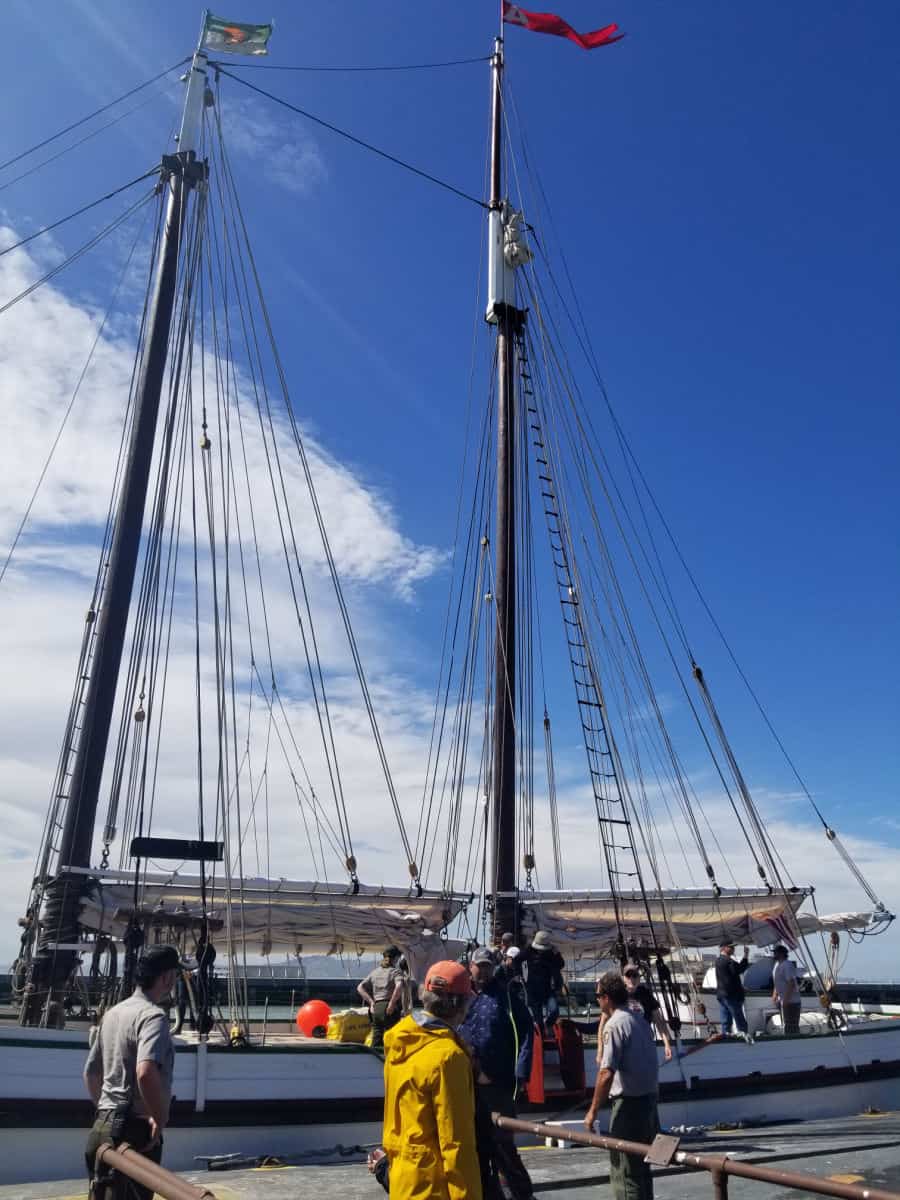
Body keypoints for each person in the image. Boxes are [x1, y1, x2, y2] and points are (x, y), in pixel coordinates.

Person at [83, 944, 178, 1200]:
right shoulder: (153, 1017)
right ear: (167, 977)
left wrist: (105, 1109)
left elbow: (91, 1072)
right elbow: (146, 1072)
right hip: (132, 1134)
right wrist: (159, 1118)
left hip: (101, 1128)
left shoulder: (113, 1013)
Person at [382, 959, 482, 1200]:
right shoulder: (449, 1057)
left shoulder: (399, 1042)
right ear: (460, 1004)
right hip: (433, 1187)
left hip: (403, 1180)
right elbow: (456, 1143)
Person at [460, 947, 534, 1200]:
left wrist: (521, 1073)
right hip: (466, 1086)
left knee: (503, 1145)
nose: (483, 971)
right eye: (479, 966)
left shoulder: (508, 997)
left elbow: (527, 1031)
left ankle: (523, 1194)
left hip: (498, 1085)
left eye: (488, 966)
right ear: (471, 966)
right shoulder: (460, 996)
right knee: (475, 1145)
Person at [585, 971, 659, 1200]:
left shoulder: (615, 1025)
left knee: (625, 1171)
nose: (597, 1000)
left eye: (598, 995)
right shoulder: (639, 1019)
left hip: (629, 1107)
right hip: (649, 1103)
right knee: (642, 1169)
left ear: (606, 997)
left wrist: (592, 1112)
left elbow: (606, 1073)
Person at [358, 946, 404, 1050]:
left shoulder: (375, 972)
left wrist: (371, 1002)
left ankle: (375, 1060)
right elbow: (399, 986)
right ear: (396, 958)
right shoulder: (395, 972)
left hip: (376, 1008)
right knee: (392, 1038)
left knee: (377, 1038)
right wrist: (392, 1003)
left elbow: (360, 987)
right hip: (389, 1008)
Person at [524, 930, 565, 1036]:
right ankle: (541, 1039)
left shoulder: (551, 953)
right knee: (538, 1020)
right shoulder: (529, 950)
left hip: (548, 989)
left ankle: (548, 1024)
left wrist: (557, 954)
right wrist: (518, 974)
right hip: (533, 990)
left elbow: (561, 964)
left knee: (554, 1010)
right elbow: (517, 960)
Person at [715, 942, 751, 1037]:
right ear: (724, 948)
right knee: (739, 1017)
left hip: (722, 995)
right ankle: (744, 1035)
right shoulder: (728, 961)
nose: (733, 949)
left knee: (725, 1019)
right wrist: (746, 955)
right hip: (731, 995)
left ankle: (726, 1035)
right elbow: (740, 969)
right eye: (731, 947)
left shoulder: (718, 960)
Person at [771, 944, 802, 1035]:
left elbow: (791, 983)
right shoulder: (777, 965)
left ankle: (794, 1042)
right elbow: (777, 982)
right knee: (785, 1024)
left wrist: (786, 1000)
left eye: (775, 953)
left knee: (791, 1026)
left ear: (781, 954)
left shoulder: (787, 965)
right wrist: (774, 995)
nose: (774, 955)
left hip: (791, 1002)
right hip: (783, 1000)